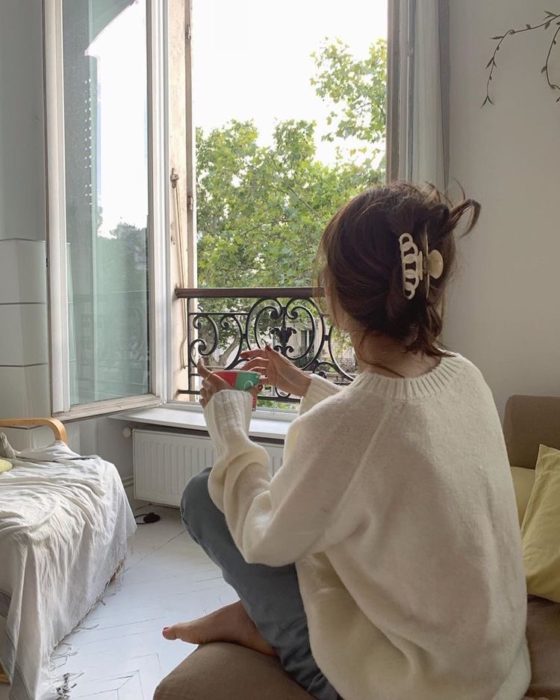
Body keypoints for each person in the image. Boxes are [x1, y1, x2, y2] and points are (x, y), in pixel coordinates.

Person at [162, 182, 531, 700]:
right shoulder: (463, 374)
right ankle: (260, 616)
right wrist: (304, 385)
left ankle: (272, 632)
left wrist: (228, 421)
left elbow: (262, 539)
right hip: (498, 667)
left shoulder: (344, 426)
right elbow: (395, 430)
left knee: (205, 495)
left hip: (421, 687)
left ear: (333, 293)